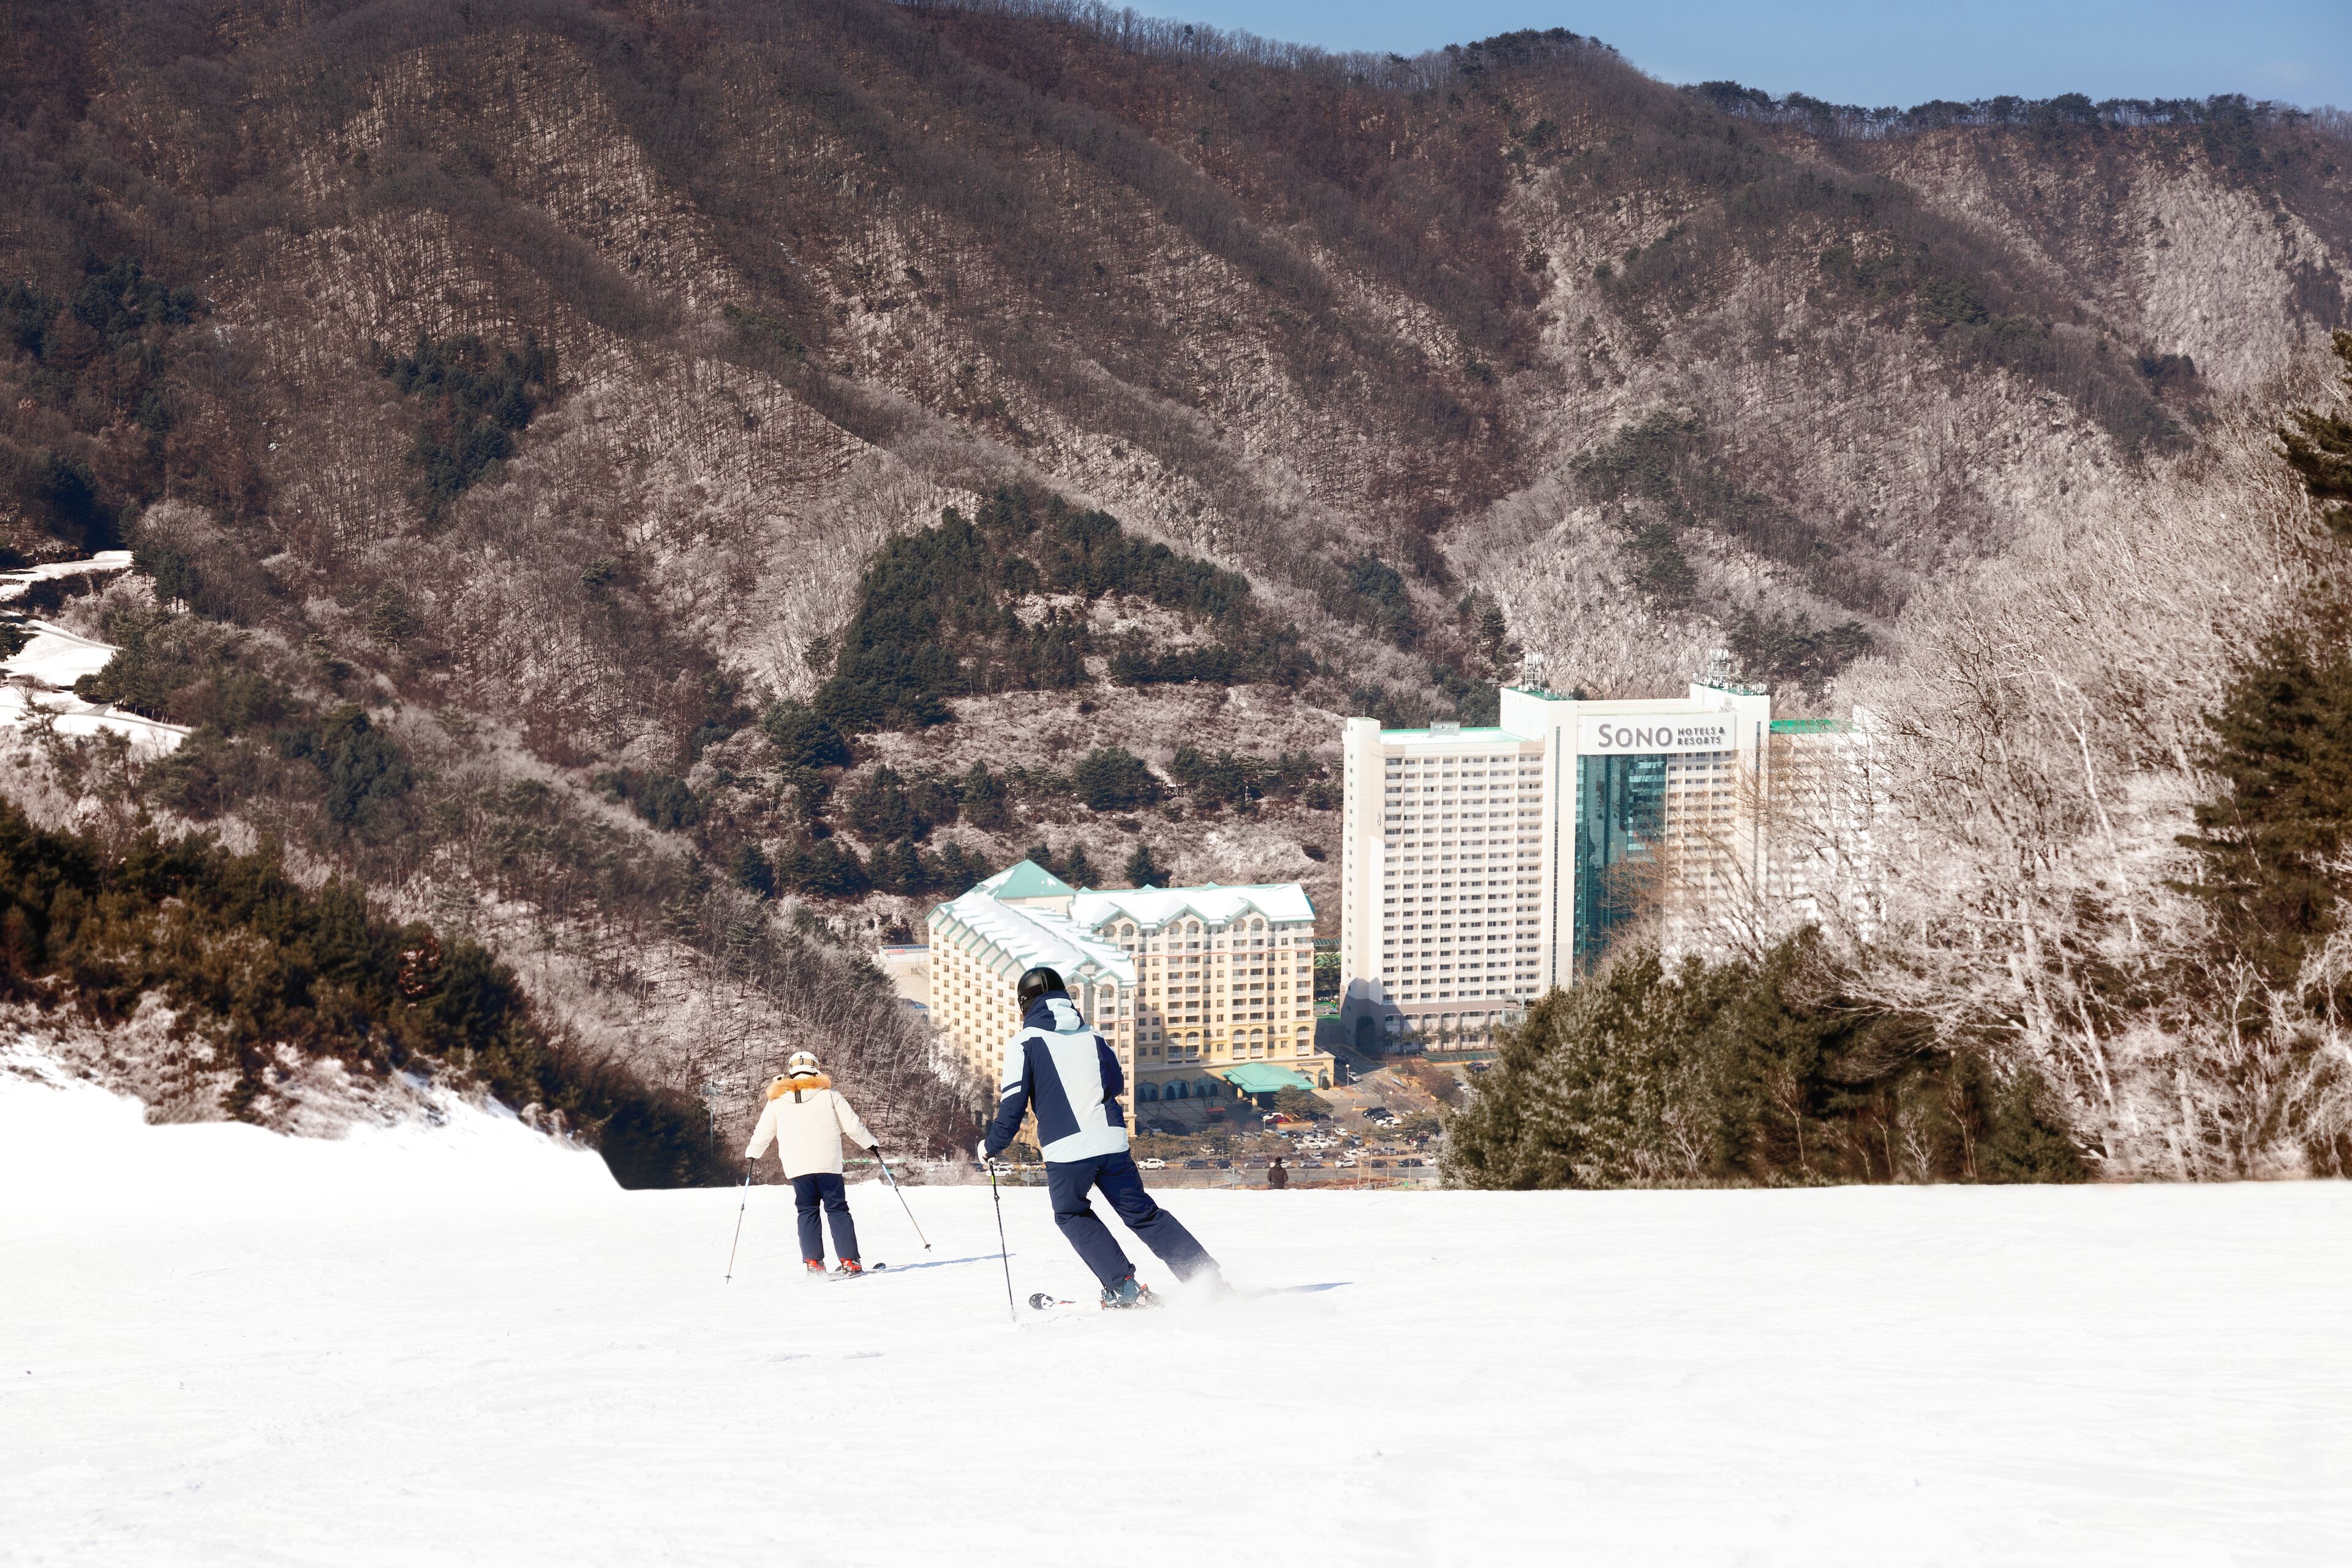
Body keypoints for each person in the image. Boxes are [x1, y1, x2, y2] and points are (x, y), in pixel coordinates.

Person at [979, 966, 1223, 1308]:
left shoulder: (1025, 1043)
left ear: (1025, 1004)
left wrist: (991, 1147)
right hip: (1111, 1142)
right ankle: (1207, 1281)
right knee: (1143, 1214)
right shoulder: (1092, 1036)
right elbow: (1116, 1084)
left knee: (1072, 1214)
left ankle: (1124, 1289)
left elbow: (1013, 1106)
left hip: (1068, 1150)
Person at [745, 1050, 881, 1278]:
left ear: (791, 1071)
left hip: (796, 1167)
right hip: (828, 1164)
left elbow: (763, 1132)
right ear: (815, 1069)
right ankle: (850, 1261)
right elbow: (853, 1126)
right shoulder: (830, 1095)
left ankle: (814, 1264)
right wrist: (871, 1144)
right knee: (837, 1209)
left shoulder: (777, 1101)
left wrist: (753, 1153)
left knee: (807, 1210)